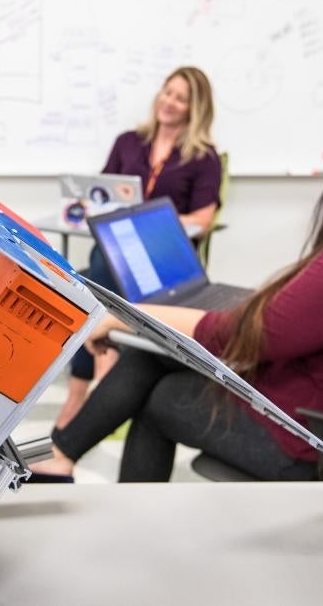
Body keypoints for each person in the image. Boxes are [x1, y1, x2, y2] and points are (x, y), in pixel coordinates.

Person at [35, 68, 323, 481]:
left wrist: (124, 316)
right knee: (153, 355)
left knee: (159, 392)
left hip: (304, 435)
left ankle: (70, 466)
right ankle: (62, 457)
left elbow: (242, 335)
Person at [60, 66, 223, 427]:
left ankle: (89, 376)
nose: (170, 102)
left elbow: (203, 219)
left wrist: (151, 220)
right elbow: (99, 193)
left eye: (181, 98)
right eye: (168, 92)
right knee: (98, 271)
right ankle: (99, 361)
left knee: (93, 286)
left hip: (163, 254)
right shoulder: (128, 142)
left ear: (195, 108)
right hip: (120, 249)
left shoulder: (204, 156)